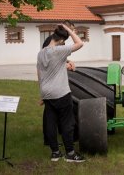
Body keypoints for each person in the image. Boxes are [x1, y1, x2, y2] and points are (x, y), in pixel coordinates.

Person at [37, 24, 85, 162]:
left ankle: (55, 153)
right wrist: (69, 30)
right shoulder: (59, 50)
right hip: (60, 92)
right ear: (62, 39)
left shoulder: (41, 53)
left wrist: (42, 94)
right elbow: (80, 43)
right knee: (67, 123)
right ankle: (70, 153)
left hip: (47, 92)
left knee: (51, 123)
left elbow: (40, 74)